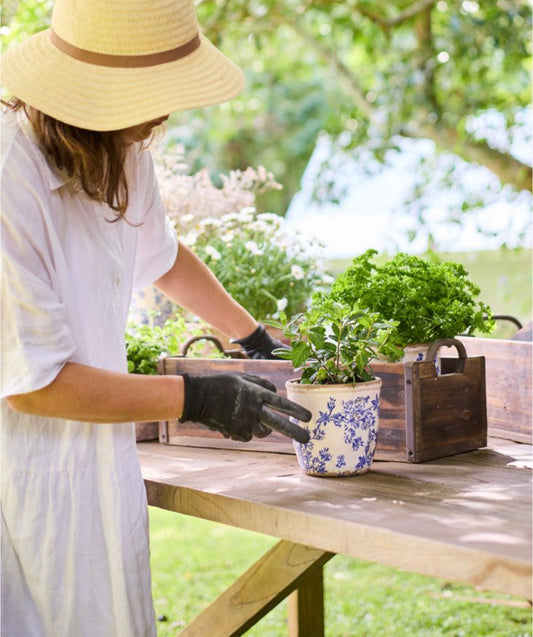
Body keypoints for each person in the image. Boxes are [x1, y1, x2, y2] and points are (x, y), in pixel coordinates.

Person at [0, 1, 311, 635]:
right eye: (150, 94)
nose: (162, 115)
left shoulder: (120, 148)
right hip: (23, 479)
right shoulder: (10, 176)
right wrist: (193, 396)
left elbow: (161, 258)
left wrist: (251, 338)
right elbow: (34, 384)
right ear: (93, 94)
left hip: (98, 470)